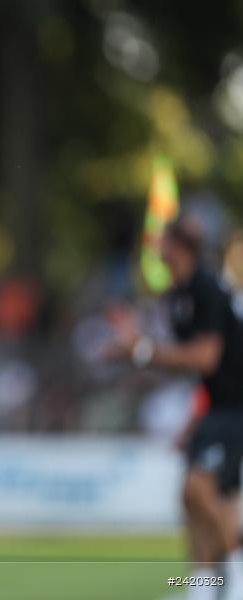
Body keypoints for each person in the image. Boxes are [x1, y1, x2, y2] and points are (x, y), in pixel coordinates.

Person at [104, 217, 243, 600]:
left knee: (198, 489)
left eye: (162, 242)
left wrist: (141, 351)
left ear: (179, 247)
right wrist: (136, 349)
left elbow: (206, 358)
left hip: (235, 409)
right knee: (198, 499)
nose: (156, 249)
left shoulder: (207, 289)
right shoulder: (180, 294)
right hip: (217, 407)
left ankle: (236, 570)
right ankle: (204, 586)